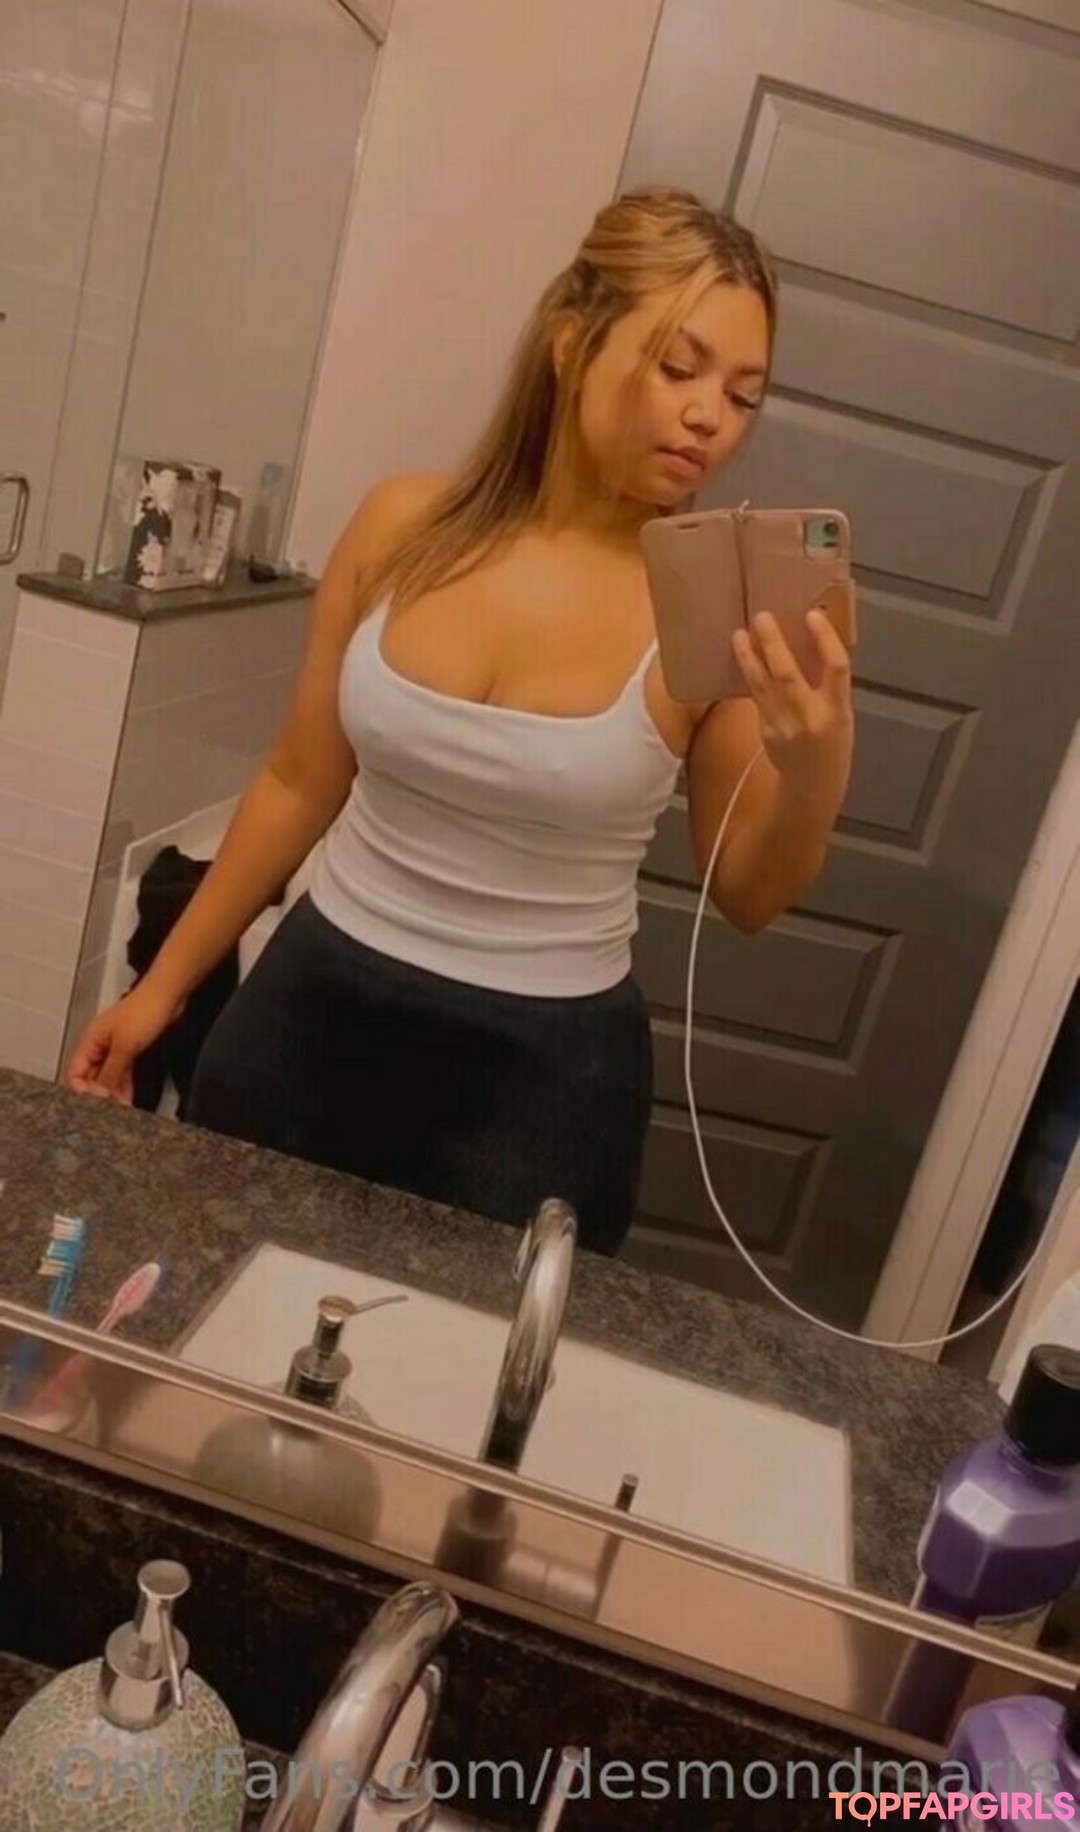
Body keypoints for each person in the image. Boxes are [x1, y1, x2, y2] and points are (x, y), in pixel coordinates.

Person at [67, 186, 854, 1257]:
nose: (712, 415)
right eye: (679, 367)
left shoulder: (708, 599)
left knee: (468, 1361)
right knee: (214, 1304)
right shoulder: (402, 524)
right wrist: (161, 991)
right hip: (309, 1012)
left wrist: (815, 763)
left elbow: (752, 893)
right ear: (572, 342)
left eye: (743, 393)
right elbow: (299, 779)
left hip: (543, 1081)